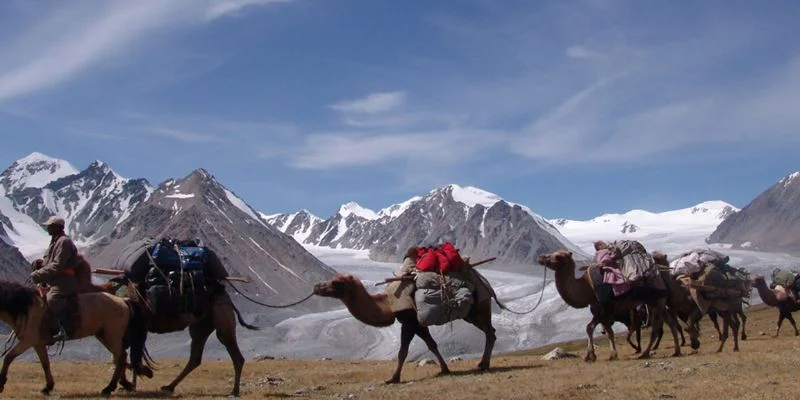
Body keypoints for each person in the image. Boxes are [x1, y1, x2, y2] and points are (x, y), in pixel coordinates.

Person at [30, 216, 79, 344]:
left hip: (64, 281)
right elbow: (50, 261)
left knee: (53, 298)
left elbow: (58, 265)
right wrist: (40, 263)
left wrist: (38, 274)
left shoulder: (64, 242)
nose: (47, 228)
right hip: (55, 279)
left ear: (58, 227)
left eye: (50, 226)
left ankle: (66, 329)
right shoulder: (55, 241)